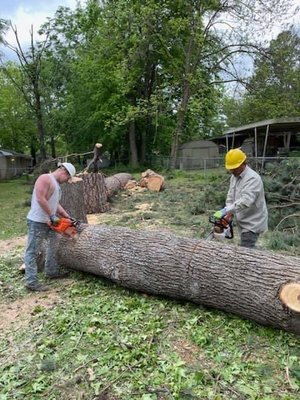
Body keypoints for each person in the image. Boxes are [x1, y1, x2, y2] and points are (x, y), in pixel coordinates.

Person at [24, 162, 76, 291]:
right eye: (68, 178)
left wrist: (66, 216)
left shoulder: (56, 185)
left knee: (54, 244)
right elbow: (40, 198)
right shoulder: (45, 178)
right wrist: (51, 215)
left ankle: (51, 271)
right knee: (32, 251)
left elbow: (55, 204)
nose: (67, 181)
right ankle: (31, 282)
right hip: (37, 222)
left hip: (49, 221)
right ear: (63, 171)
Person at [214, 148, 268, 249]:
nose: (232, 170)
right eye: (231, 168)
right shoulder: (234, 176)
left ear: (243, 163)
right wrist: (228, 214)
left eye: (234, 168)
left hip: (253, 222)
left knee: (246, 249)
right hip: (242, 218)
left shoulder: (253, 178)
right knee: (246, 248)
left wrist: (226, 210)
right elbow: (231, 195)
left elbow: (246, 201)